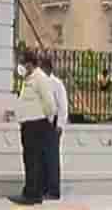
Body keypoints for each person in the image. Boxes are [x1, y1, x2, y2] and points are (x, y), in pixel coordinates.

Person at [8, 52, 56, 206]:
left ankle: (33, 194)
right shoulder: (28, 79)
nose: (20, 66)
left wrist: (47, 120)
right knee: (29, 159)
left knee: (33, 160)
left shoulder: (40, 78)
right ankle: (30, 191)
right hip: (28, 125)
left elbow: (50, 103)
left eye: (22, 63)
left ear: (29, 63)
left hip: (36, 124)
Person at [41, 58, 68, 201]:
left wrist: (60, 125)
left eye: (42, 68)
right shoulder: (39, 83)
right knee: (42, 157)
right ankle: (43, 188)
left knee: (52, 158)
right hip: (41, 122)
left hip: (53, 123)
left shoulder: (56, 84)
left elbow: (63, 106)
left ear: (48, 69)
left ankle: (53, 190)